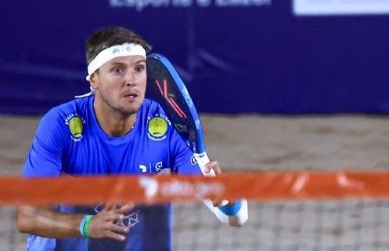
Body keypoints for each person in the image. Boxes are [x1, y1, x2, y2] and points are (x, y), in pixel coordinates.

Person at [17, 26, 247, 251]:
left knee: (153, 201)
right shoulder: (60, 123)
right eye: (117, 70)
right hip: (73, 235)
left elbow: (235, 219)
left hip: (127, 232)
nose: (131, 80)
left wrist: (228, 201)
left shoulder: (165, 124)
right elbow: (27, 217)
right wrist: (86, 225)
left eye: (139, 69)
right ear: (93, 80)